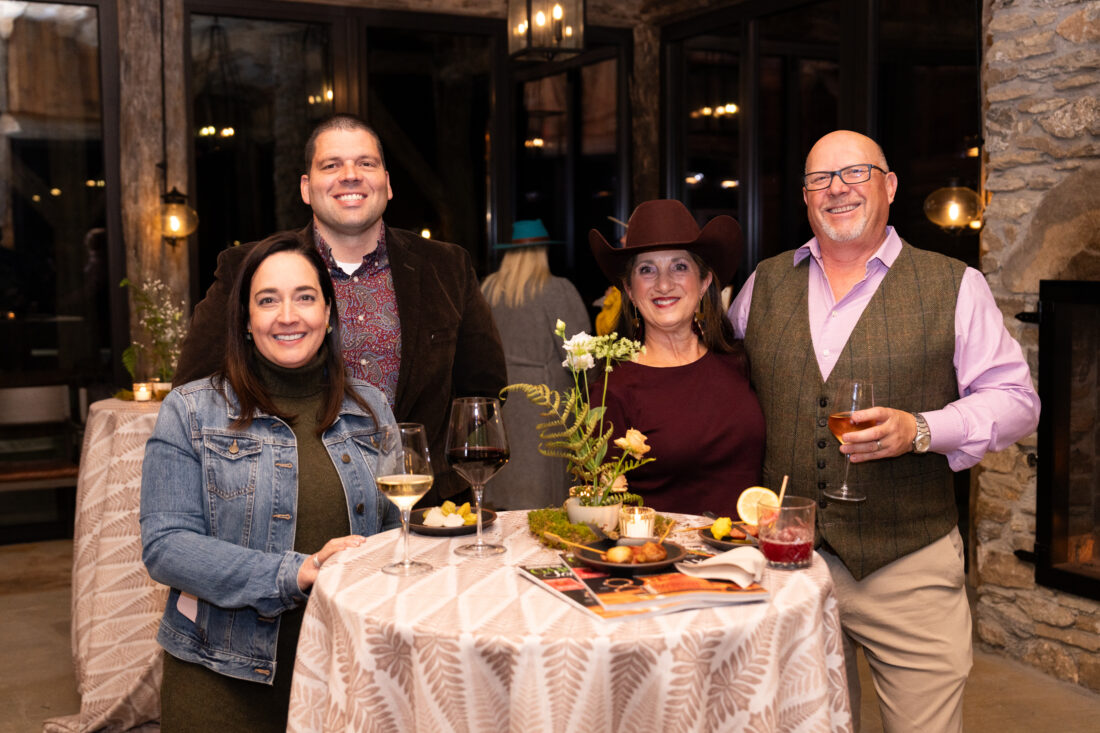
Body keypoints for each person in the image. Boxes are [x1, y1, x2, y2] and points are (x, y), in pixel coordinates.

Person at [727, 130, 1041, 732]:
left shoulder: (954, 285)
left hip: (908, 564)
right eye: (820, 179)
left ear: (889, 186)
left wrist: (922, 429)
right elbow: (724, 385)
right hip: (787, 565)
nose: (837, 189)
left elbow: (1017, 401)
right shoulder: (763, 285)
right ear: (804, 197)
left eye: (855, 173)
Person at [174, 114, 506, 507]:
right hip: (295, 510)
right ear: (306, 188)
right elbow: (195, 391)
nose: (350, 175)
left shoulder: (446, 268)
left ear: (387, 182)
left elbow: (484, 389)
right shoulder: (247, 270)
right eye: (331, 165)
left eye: (366, 163)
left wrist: (441, 471)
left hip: (421, 506)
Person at [141, 233, 401, 730]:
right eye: (268, 300)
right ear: (245, 321)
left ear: (328, 315)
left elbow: (393, 534)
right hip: (222, 676)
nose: (288, 315)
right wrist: (296, 572)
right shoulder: (192, 410)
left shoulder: (372, 408)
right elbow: (166, 547)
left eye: (305, 297)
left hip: (348, 669)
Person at [588, 199, 765, 516]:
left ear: (704, 282)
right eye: (647, 270)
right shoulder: (611, 390)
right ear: (629, 290)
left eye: (679, 267)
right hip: (664, 559)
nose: (664, 284)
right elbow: (600, 513)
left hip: (748, 556)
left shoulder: (738, 361)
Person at [481, 219, 591, 509]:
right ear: (543, 251)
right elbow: (580, 355)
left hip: (502, 405)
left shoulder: (488, 290)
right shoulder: (557, 289)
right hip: (546, 406)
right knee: (548, 500)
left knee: (505, 497)